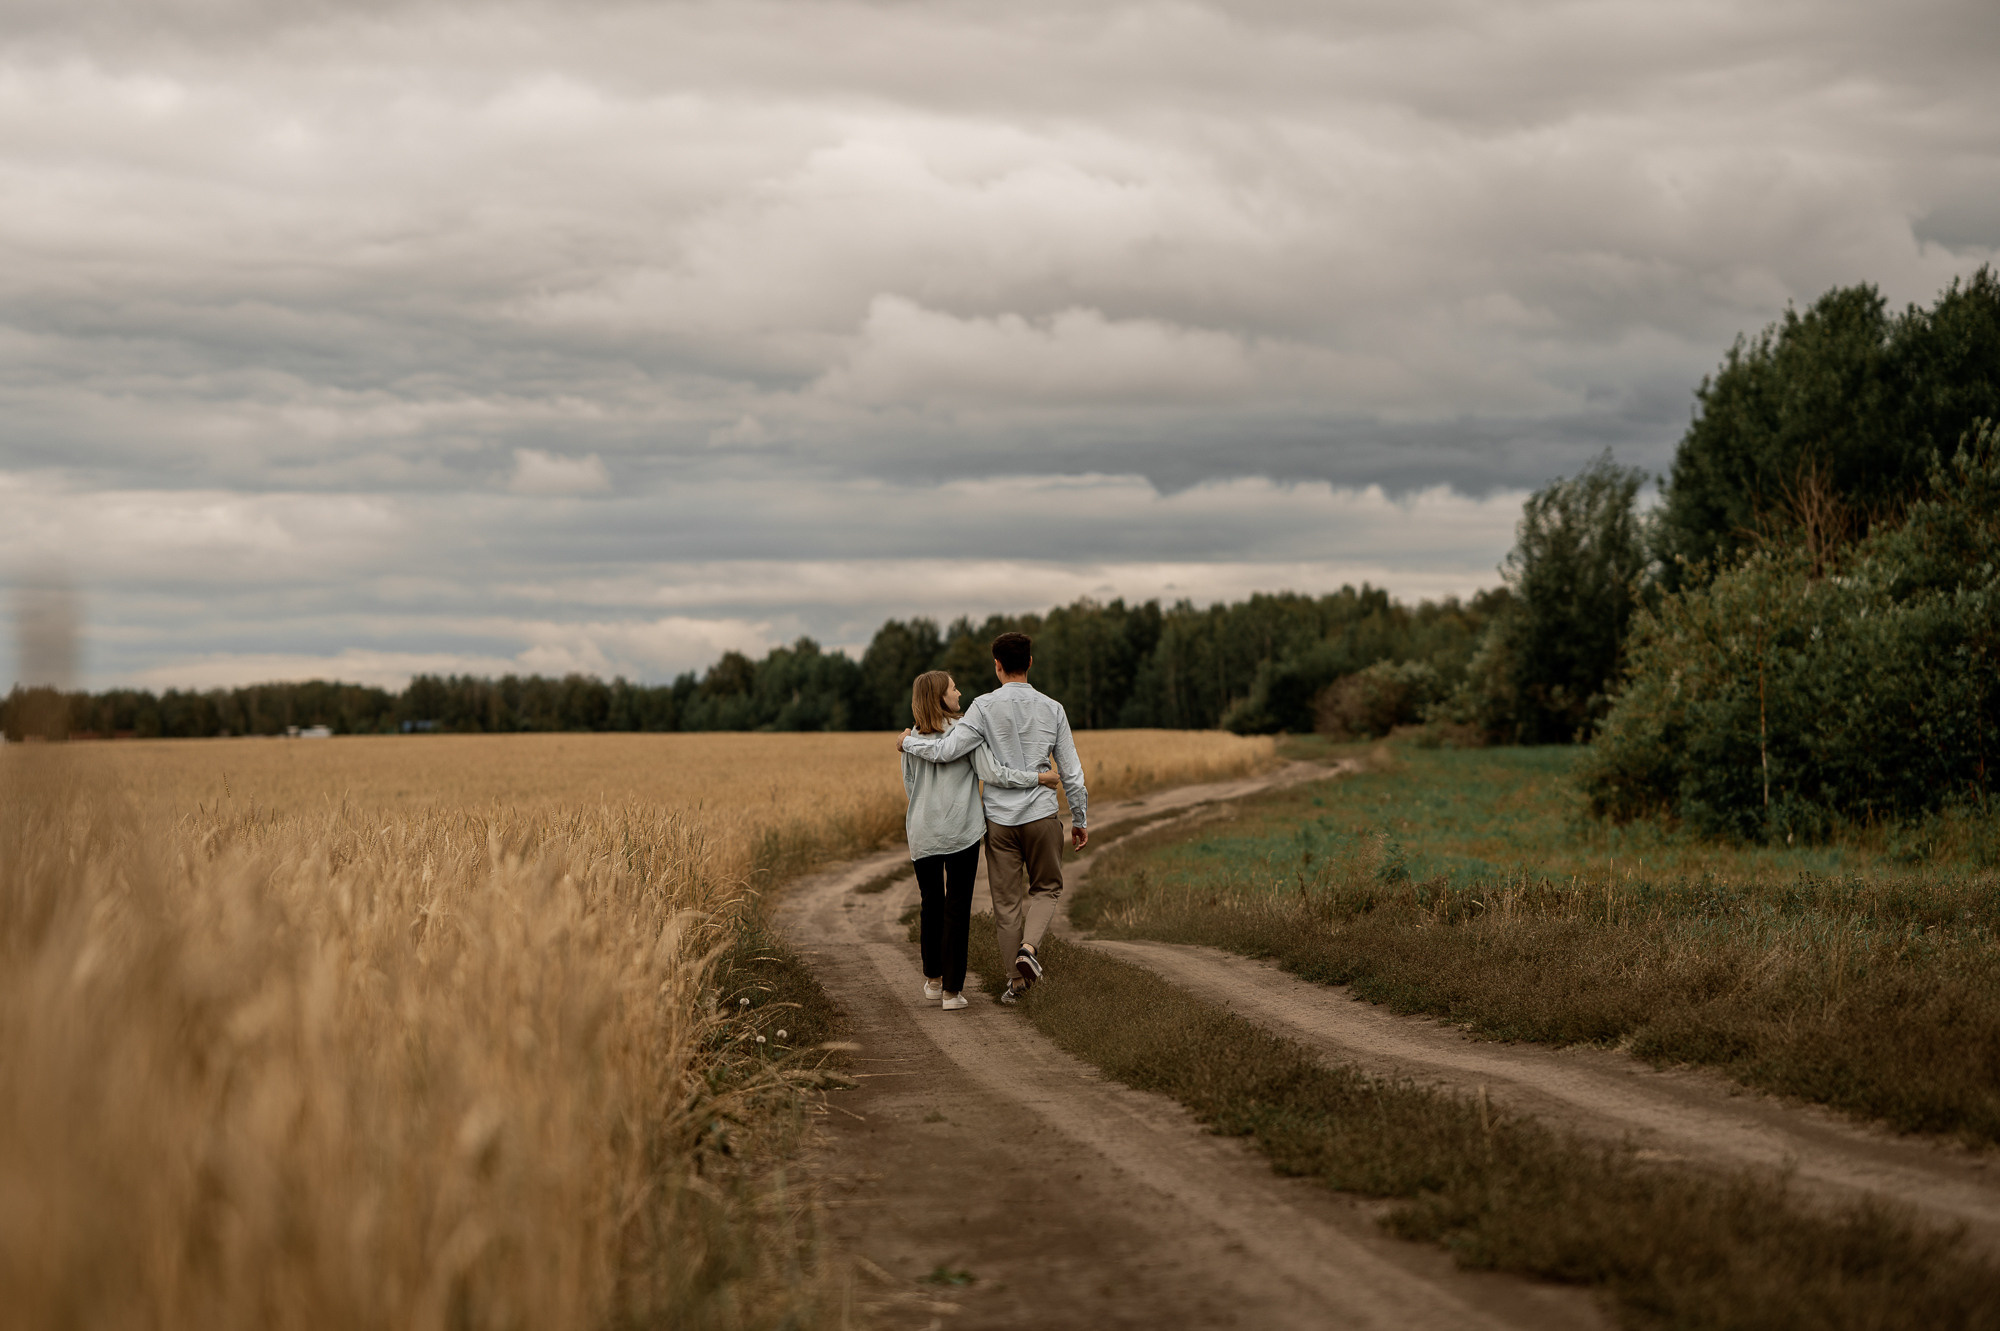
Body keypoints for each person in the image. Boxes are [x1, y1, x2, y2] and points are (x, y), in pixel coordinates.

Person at [899, 632, 1088, 1003]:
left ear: (997, 665)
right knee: (1047, 889)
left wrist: (907, 741)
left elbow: (946, 750)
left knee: (1005, 903)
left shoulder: (981, 708)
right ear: (1030, 662)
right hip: (1042, 813)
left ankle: (1015, 985)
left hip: (999, 821)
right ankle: (1028, 949)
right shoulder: (1053, 708)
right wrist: (1079, 816)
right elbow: (1072, 772)